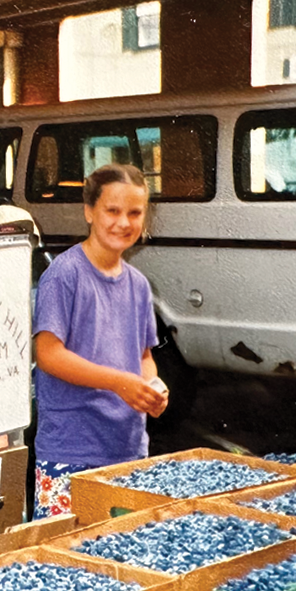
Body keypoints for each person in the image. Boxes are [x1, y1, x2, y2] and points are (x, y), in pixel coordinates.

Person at [31, 163, 169, 518]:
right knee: (60, 562)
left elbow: (143, 354)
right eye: (112, 210)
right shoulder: (64, 274)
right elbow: (48, 354)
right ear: (89, 211)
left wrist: (150, 386)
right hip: (70, 450)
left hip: (127, 448)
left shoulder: (139, 284)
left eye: (134, 213)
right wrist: (119, 382)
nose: (123, 222)